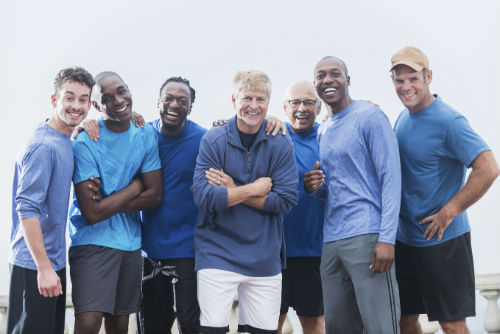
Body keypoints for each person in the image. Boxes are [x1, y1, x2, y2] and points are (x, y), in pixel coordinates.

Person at [390, 46, 499, 334]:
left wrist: (449, 211)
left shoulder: (449, 121)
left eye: (413, 78)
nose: (406, 87)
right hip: (406, 241)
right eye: (399, 80)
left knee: (452, 324)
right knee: (405, 320)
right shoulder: (402, 118)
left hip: (443, 241)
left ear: (428, 77)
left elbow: (488, 167)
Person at [192, 70, 298, 334]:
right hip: (217, 252)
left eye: (260, 99)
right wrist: (255, 189)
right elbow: (204, 197)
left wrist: (234, 190)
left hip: (264, 256)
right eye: (247, 98)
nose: (253, 105)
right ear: (233, 100)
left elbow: (285, 200)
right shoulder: (213, 139)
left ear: (269, 103)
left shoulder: (280, 143)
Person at [304, 56, 401, 334]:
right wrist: (316, 188)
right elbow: (335, 187)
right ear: (316, 85)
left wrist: (386, 238)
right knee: (338, 327)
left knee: (380, 326)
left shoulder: (369, 116)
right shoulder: (323, 130)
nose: (328, 80)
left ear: (347, 80)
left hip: (368, 236)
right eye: (320, 76)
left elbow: (391, 179)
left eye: (335, 73)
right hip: (332, 241)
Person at [68, 71, 162, 334]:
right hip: (92, 243)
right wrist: (134, 187)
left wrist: (107, 203)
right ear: (96, 106)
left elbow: (154, 196)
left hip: (131, 244)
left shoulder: (144, 134)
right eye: (107, 98)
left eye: (121, 91)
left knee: (120, 324)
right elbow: (92, 214)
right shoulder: (86, 142)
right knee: (88, 322)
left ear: (129, 90)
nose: (118, 100)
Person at [8, 67, 94, 334]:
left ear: (91, 104)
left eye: (83, 99)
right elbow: (27, 208)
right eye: (69, 98)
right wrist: (44, 269)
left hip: (53, 262)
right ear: (54, 99)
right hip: (34, 266)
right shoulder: (43, 146)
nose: (76, 106)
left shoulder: (62, 138)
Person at [138, 77, 204, 334]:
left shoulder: (204, 139)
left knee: (191, 327)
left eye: (182, 100)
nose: (174, 104)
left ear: (190, 107)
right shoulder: (143, 134)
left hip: (188, 253)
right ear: (158, 101)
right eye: (168, 98)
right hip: (147, 253)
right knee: (151, 328)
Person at [278, 81, 324, 334]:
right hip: (273, 251)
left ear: (318, 107)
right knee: (269, 324)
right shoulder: (273, 133)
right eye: (295, 102)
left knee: (314, 324)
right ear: (285, 107)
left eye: (309, 102)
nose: (302, 108)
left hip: (313, 251)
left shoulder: (327, 136)